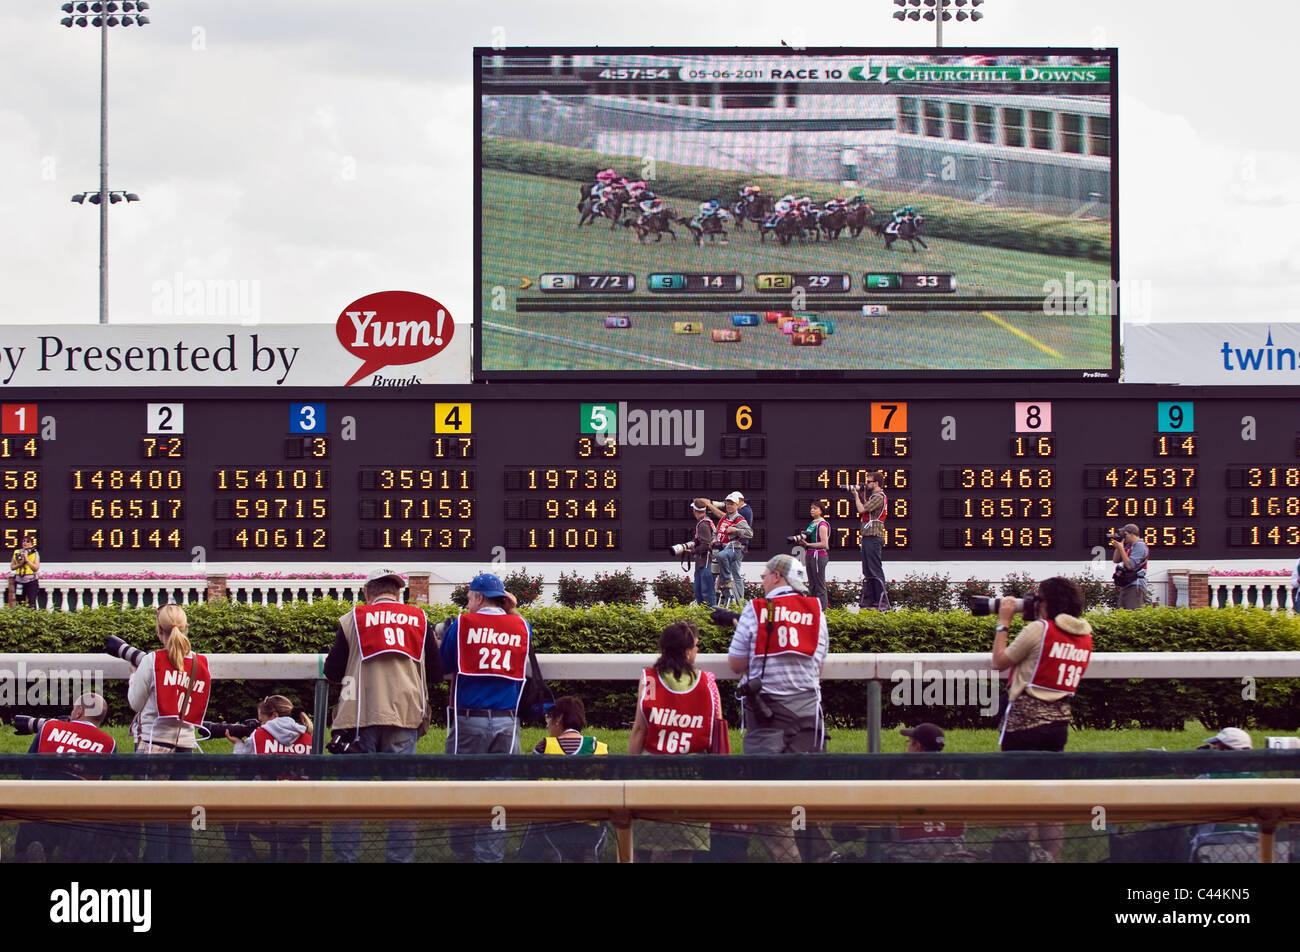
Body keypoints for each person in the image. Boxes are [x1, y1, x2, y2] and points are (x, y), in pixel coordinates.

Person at [324, 567, 439, 863]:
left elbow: (332, 670)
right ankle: (399, 858)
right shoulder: (420, 620)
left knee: (351, 799)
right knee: (401, 799)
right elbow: (436, 672)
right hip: (404, 716)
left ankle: (346, 858)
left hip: (358, 719)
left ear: (367, 593)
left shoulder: (353, 619)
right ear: (398, 592)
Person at [729, 554, 833, 862]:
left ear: (777, 577)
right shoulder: (817, 610)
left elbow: (736, 664)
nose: (761, 580)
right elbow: (818, 667)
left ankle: (792, 858)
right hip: (808, 716)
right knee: (801, 796)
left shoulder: (756, 609)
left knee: (770, 802)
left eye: (763, 576)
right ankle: (820, 853)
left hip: (767, 718)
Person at [991, 576, 1094, 861]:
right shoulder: (1085, 635)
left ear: (1046, 603)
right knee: (1050, 800)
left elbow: (999, 661)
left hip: (1024, 725)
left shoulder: (1040, 629)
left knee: (1021, 799)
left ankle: (1028, 856)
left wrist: (1004, 622)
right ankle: (1052, 858)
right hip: (1058, 725)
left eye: (1038, 598)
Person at [439, 572, 532, 862]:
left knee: (464, 792)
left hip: (469, 720)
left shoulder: (462, 624)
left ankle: (464, 853)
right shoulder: (521, 625)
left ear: (479, 597)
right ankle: (489, 857)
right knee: (498, 798)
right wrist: (510, 607)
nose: (468, 604)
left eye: (469, 598)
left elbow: (443, 668)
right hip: (507, 722)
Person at [629, 620, 723, 862]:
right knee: (684, 851)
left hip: (651, 775)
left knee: (642, 847)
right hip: (692, 778)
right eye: (697, 646)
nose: (698, 651)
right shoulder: (707, 682)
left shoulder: (648, 680)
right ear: (687, 652)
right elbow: (718, 726)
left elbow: (639, 730)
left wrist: (628, 771)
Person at [128, 603, 210, 862]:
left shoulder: (152, 659)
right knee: (179, 816)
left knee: (155, 818)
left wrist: (133, 676)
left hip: (153, 744)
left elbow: (134, 702)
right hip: (185, 745)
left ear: (158, 630)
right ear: (185, 629)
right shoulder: (201, 661)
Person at [15, 692, 118, 862]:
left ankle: (31, 848)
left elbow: (27, 767)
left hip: (39, 805)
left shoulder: (50, 727)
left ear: (78, 711)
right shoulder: (109, 743)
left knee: (34, 813)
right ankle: (72, 856)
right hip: (78, 814)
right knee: (82, 826)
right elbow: (103, 784)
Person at [513, 696, 609, 862]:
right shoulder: (600, 748)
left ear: (560, 718)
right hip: (592, 830)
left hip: (551, 826)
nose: (547, 723)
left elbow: (530, 785)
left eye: (549, 717)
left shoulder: (544, 747)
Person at [224, 694, 315, 862]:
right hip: (303, 820)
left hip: (265, 819)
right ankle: (292, 847)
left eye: (261, 720)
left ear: (273, 716)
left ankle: (245, 855)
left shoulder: (258, 736)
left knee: (227, 812)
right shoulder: (309, 738)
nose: (260, 724)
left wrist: (238, 745)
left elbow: (241, 772)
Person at [882, 723, 972, 862]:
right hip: (953, 852)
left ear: (917, 747)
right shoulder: (954, 779)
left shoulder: (899, 779)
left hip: (906, 854)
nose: (907, 747)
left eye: (909, 743)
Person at [698, 494, 752, 605]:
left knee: (728, 566)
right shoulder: (723, 518)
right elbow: (716, 532)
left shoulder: (739, 519)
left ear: (737, 505)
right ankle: (711, 603)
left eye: (732, 504)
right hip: (721, 549)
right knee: (710, 574)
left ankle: (729, 585)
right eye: (727, 504)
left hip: (733, 549)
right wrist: (714, 539)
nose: (729, 506)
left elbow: (749, 533)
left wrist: (736, 530)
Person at [852, 472, 889, 610]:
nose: (867, 484)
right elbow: (867, 507)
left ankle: (881, 599)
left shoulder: (879, 497)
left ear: (877, 483)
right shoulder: (873, 497)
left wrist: (856, 496)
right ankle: (870, 598)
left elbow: (862, 509)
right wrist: (861, 496)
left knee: (874, 568)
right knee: (867, 569)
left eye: (869, 481)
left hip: (874, 536)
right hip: (867, 536)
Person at [799, 501, 831, 609]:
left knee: (819, 584)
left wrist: (808, 544)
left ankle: (822, 608)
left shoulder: (822, 524)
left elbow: (824, 543)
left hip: (819, 555)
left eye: (815, 508)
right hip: (810, 554)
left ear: (821, 511)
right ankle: (812, 607)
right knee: (812, 583)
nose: (812, 510)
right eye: (811, 508)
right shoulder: (812, 523)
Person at [1111, 523, 1148, 608]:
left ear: (1132, 534)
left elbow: (1130, 566)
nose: (1124, 537)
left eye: (1125, 534)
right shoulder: (1128, 546)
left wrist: (1121, 548)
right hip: (1126, 583)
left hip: (1135, 585)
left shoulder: (1140, 546)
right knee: (1121, 613)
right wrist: (1119, 546)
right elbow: (1115, 560)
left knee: (1133, 613)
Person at [689, 500, 716, 607]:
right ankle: (704, 616)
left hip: (705, 562)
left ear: (695, 510)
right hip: (701, 562)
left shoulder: (703, 525)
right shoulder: (705, 522)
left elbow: (706, 545)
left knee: (706, 591)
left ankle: (711, 616)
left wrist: (693, 551)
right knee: (699, 590)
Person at [9, 531, 40, 608]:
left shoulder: (35, 553)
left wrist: (27, 560)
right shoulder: (17, 552)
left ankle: (32, 619)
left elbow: (35, 568)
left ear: (31, 544)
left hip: (31, 581)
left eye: (27, 541)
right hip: (19, 581)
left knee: (32, 602)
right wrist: (20, 564)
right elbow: (12, 567)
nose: (25, 543)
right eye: (23, 541)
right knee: (20, 602)